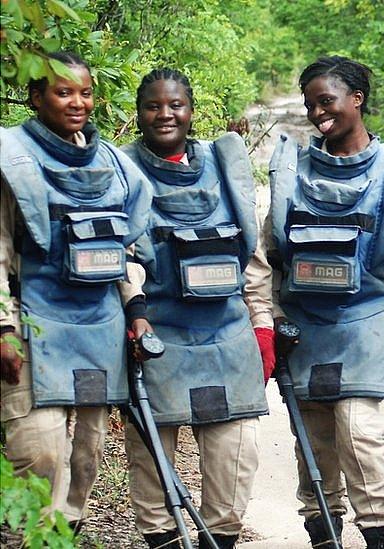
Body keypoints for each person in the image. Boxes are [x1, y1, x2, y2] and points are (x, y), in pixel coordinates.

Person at [244, 55, 384, 549]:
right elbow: (267, 256)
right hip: (301, 326)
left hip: (360, 322)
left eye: (328, 100)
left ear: (357, 99)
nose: (318, 112)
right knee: (314, 445)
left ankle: (379, 536)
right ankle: (323, 533)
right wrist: (268, 319)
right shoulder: (290, 168)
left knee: (362, 438)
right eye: (310, 105)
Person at [0, 51, 152, 532]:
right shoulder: (12, 159)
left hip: (98, 329)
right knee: (41, 452)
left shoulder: (115, 164)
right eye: (64, 92)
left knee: (87, 455)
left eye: (85, 92)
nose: (77, 102)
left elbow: (127, 251)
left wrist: (137, 311)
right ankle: (38, 538)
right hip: (30, 326)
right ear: (36, 96)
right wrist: (3, 325)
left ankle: (69, 533)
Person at [120, 68, 268, 549]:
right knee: (152, 465)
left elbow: (256, 255)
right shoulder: (121, 169)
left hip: (227, 336)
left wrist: (262, 324)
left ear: (191, 110)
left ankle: (218, 540)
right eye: (154, 106)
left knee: (234, 460)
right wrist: (133, 312)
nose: (165, 115)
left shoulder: (226, 165)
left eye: (176, 105)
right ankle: (161, 540)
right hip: (155, 336)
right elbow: (118, 255)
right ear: (139, 113)